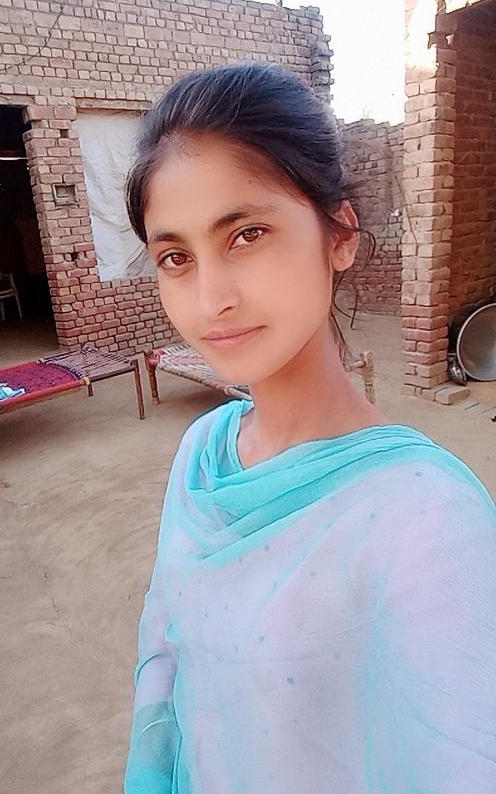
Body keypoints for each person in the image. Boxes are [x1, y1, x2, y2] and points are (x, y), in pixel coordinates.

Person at [123, 62, 496, 794]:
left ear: (340, 235)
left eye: (247, 234)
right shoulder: (202, 454)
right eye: (175, 257)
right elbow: (167, 652)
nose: (210, 299)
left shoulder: (427, 522)